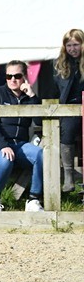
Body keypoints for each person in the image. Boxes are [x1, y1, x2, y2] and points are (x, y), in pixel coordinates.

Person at [0, 60, 43, 212]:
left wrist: (32, 96)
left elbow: (40, 121)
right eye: (9, 76)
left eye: (17, 76)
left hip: (19, 145)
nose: (13, 79)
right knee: (5, 159)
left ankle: (33, 200)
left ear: (24, 77)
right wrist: (3, 145)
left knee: (41, 154)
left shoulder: (29, 98)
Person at [52, 28, 84, 193]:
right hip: (69, 106)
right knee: (68, 129)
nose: (72, 49)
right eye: (69, 45)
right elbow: (55, 91)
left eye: (76, 45)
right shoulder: (60, 64)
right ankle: (69, 175)